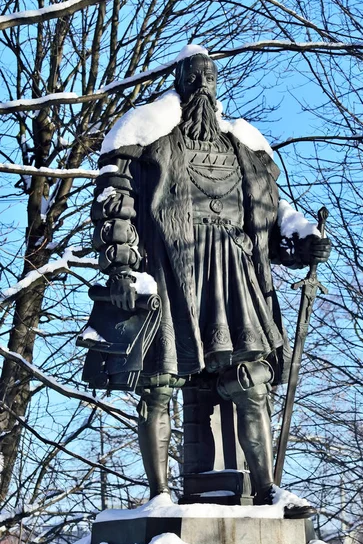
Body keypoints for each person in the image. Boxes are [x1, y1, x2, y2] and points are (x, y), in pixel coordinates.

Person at [89, 50, 331, 517]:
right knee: (159, 381)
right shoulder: (146, 136)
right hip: (171, 271)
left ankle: (267, 491)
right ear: (178, 81)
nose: (202, 83)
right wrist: (121, 267)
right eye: (192, 76)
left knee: (249, 380)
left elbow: (273, 217)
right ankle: (159, 495)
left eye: (209, 76)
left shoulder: (245, 146)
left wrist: (304, 243)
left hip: (235, 272)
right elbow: (114, 202)